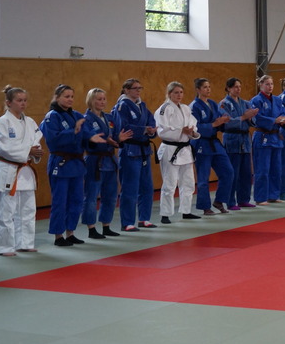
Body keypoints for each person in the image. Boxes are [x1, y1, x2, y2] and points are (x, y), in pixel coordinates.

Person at [0, 86, 44, 255]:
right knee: (6, 211)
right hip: (8, 169)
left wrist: (35, 151)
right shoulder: (2, 122)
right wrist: (28, 151)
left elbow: (37, 139)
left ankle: (25, 243)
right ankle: (6, 247)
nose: (23, 103)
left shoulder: (30, 122)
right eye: (19, 100)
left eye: (25, 100)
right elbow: (4, 147)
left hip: (25, 171)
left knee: (28, 209)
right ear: (8, 103)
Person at [81, 88, 131, 239]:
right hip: (94, 160)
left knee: (110, 195)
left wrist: (118, 139)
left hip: (110, 160)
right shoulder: (86, 119)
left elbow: (114, 138)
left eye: (104, 99)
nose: (102, 102)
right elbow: (86, 139)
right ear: (91, 101)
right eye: (99, 99)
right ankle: (91, 228)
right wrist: (105, 141)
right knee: (91, 195)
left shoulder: (109, 118)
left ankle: (106, 225)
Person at [41, 84, 87, 246]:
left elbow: (86, 135)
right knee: (60, 201)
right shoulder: (52, 117)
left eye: (72, 96)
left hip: (76, 163)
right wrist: (73, 131)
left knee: (77, 200)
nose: (70, 99)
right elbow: (52, 138)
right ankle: (58, 235)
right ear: (57, 97)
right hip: (60, 162)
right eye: (66, 96)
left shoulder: (77, 115)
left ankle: (70, 232)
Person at [114, 79, 158, 231]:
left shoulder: (142, 105)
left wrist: (151, 131)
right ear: (126, 90)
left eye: (140, 88)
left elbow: (152, 122)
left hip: (144, 150)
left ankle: (144, 218)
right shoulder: (122, 106)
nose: (138, 90)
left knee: (147, 186)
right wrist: (144, 129)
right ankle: (127, 222)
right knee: (130, 187)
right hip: (130, 150)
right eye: (135, 88)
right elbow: (124, 127)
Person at [155, 81, 200, 223]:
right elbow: (162, 131)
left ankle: (186, 211)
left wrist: (192, 132)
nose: (179, 95)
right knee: (169, 183)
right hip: (170, 149)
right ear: (169, 94)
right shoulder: (164, 109)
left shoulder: (186, 108)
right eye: (176, 92)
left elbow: (194, 126)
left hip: (185, 150)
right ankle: (165, 214)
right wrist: (181, 131)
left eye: (181, 92)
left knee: (188, 182)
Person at [191, 78, 233, 214]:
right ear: (198, 90)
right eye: (205, 87)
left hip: (215, 143)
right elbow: (195, 128)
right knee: (203, 177)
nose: (208, 89)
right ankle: (205, 206)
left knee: (228, 172)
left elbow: (220, 121)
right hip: (201, 143)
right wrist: (214, 124)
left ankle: (219, 200)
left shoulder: (213, 104)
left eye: (209, 87)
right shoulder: (194, 106)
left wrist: (224, 121)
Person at [220, 77, 258, 208]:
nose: (238, 89)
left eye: (240, 87)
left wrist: (251, 117)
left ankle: (244, 199)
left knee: (246, 173)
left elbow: (253, 121)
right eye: (235, 87)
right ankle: (230, 201)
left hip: (245, 140)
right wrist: (244, 117)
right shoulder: (224, 104)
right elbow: (227, 122)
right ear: (228, 88)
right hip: (232, 139)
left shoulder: (246, 103)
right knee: (233, 173)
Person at [250, 75, 285, 205]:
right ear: (260, 85)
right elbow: (257, 118)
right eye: (267, 84)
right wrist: (274, 120)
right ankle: (260, 197)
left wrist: (284, 119)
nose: (270, 86)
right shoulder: (256, 100)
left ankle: (273, 195)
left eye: (271, 84)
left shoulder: (277, 100)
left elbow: (284, 113)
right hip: (262, 137)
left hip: (276, 136)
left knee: (276, 169)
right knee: (262, 169)